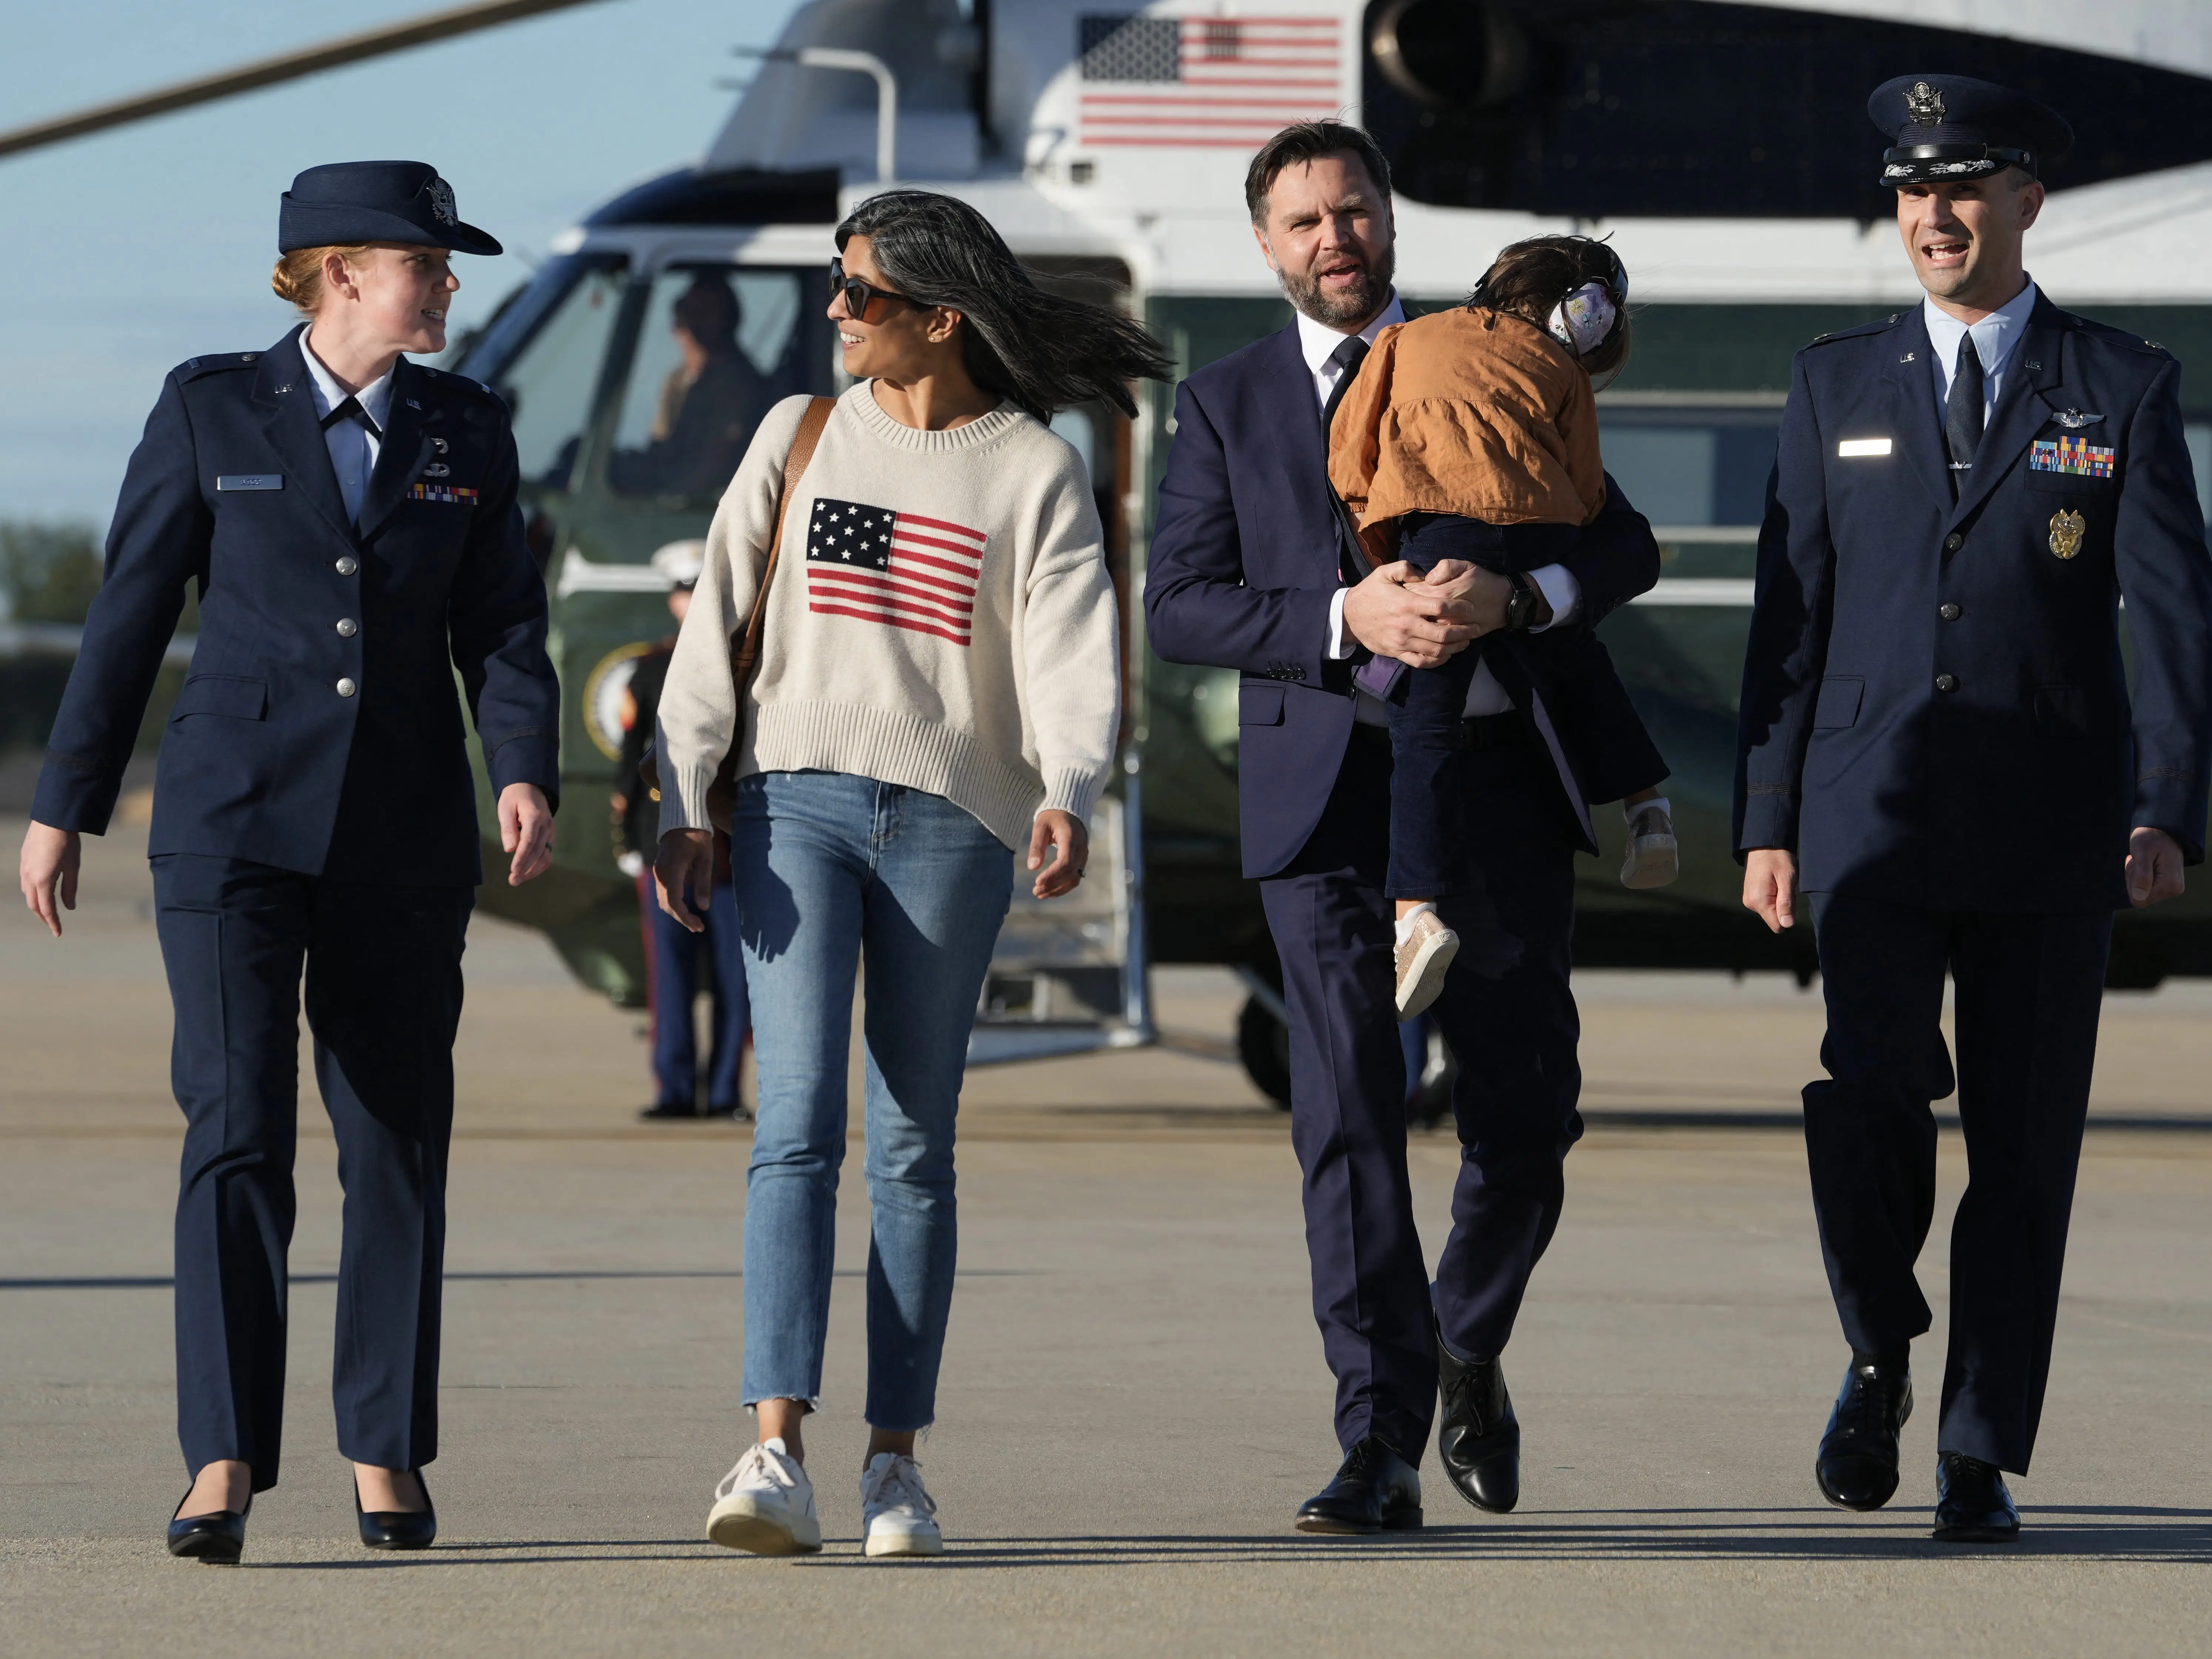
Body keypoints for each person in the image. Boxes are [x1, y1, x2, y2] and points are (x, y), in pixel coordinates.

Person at [14, 161, 561, 1563]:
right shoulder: (213, 406)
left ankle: (383, 1446)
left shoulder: (466, 426)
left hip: (400, 837)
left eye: (447, 265)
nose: (448, 285)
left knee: (393, 1140)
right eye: (427, 263)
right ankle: (222, 1457)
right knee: (237, 1129)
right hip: (230, 829)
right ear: (340, 274)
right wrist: (63, 802)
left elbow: (502, 625)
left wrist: (522, 768)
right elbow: (131, 609)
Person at [1144, 120, 1663, 1534]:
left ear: (1390, 220)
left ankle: (1463, 1341)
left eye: (1355, 211)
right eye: (1304, 220)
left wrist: (1526, 599)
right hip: (1322, 803)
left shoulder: (1490, 355)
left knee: (1529, 1118)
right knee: (1350, 1118)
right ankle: (1377, 1440)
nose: (1336, 238)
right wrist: (1340, 615)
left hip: (1496, 785)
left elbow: (1625, 542)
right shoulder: (1228, 407)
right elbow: (1180, 603)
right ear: (1265, 244)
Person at [653, 189, 1169, 1558]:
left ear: (939, 317)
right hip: (791, 804)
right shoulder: (800, 433)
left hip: (955, 822)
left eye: (860, 292)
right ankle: (773, 1451)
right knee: (796, 1120)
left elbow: (1069, 649)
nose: (835, 309)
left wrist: (1069, 789)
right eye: (837, 284)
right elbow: (717, 622)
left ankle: (896, 1465)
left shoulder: (1032, 469)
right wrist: (685, 794)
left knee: (913, 1146)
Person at [1736, 76, 2212, 1544]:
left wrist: (2166, 802)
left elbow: (2174, 616)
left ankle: (1975, 1446)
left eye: (1960, 190)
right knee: (1864, 1093)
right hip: (1866, 819)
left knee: (2020, 1149)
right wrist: (1765, 820)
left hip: (2050, 827)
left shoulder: (2115, 382)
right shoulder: (1831, 382)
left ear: (2023, 205)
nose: (1930, 217)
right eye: (1908, 193)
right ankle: (1878, 1342)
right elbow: (1787, 621)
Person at [1329, 233, 1676, 1016]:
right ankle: (1645, 808)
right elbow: (1588, 482)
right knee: (1579, 658)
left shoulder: (1402, 342)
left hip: (1435, 536)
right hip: (1540, 527)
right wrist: (1547, 553)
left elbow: (1352, 452)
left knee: (1422, 727)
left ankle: (1414, 910)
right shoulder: (1556, 368)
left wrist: (1384, 538)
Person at [613, 541, 751, 1122]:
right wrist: (627, 841)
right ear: (673, 602)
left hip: (733, 851)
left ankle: (723, 1093)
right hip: (662, 841)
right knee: (667, 977)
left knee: (737, 980)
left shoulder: (747, 663)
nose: (692, 603)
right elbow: (629, 763)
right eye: (685, 592)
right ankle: (673, 1088)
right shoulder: (649, 670)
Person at [610, 274, 773, 497]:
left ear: (728, 321)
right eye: (686, 313)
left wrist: (667, 498)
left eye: (704, 314)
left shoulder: (737, 385)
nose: (691, 324)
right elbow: (660, 447)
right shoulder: (678, 380)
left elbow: (712, 465)